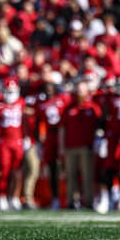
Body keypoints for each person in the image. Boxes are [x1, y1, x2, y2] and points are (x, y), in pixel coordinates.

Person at [95, 74, 120, 213]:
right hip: (111, 137)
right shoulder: (110, 98)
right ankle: (106, 198)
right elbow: (104, 117)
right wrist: (100, 136)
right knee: (107, 168)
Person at [61, 81, 102, 210]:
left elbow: (100, 125)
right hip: (70, 146)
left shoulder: (93, 107)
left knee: (87, 175)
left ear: (87, 92)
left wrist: (98, 141)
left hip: (86, 146)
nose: (79, 93)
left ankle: (88, 201)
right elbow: (63, 128)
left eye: (82, 90)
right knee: (71, 175)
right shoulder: (69, 108)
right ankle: (71, 201)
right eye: (78, 90)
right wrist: (61, 147)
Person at [37, 77, 70, 209]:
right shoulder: (42, 104)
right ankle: (55, 198)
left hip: (63, 133)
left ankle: (71, 196)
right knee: (52, 167)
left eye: (51, 88)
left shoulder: (63, 99)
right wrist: (40, 140)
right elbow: (39, 122)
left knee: (66, 166)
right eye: (47, 89)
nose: (49, 91)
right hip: (50, 135)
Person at [0, 80, 26, 211]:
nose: (10, 94)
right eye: (8, 91)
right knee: (4, 170)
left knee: (17, 172)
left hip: (18, 141)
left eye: (12, 91)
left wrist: (27, 137)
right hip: (5, 142)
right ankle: (2, 197)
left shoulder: (22, 103)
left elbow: (27, 121)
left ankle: (14, 197)